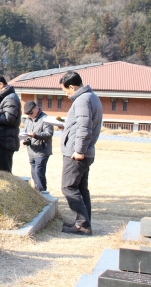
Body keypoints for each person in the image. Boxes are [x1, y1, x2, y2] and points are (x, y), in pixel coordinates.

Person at [59, 71, 102, 236]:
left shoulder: (82, 100)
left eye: (65, 90)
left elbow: (85, 127)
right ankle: (84, 222)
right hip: (86, 151)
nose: (65, 94)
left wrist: (79, 150)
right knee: (81, 189)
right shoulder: (92, 97)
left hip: (77, 153)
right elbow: (81, 124)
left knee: (68, 187)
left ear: (72, 86)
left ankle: (82, 224)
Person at [23, 100, 53, 192]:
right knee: (34, 174)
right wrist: (26, 140)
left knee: (39, 173)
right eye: (27, 114)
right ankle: (37, 192)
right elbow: (26, 133)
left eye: (31, 113)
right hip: (31, 151)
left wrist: (35, 135)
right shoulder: (28, 120)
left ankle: (42, 193)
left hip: (42, 151)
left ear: (36, 108)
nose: (29, 115)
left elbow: (49, 134)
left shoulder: (45, 119)